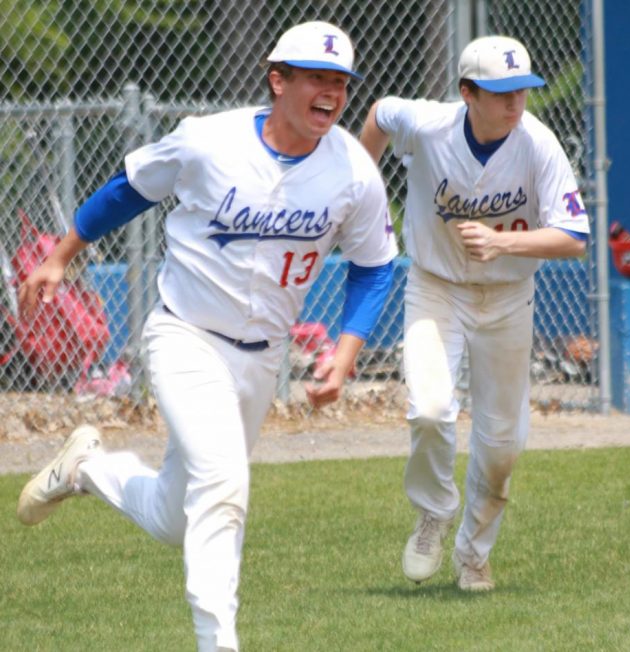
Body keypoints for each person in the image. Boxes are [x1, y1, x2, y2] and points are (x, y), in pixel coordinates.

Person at [16, 21, 397, 650]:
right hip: (185, 337)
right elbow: (129, 190)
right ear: (278, 80)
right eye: (316, 78)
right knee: (223, 485)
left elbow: (377, 265)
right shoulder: (208, 142)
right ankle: (218, 643)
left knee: (177, 517)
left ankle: (87, 469)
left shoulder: (352, 171)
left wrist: (347, 352)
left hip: (261, 359)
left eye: (340, 82)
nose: (330, 93)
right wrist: (61, 255)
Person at [359, 35, 590, 591]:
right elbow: (379, 116)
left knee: (503, 445)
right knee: (431, 407)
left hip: (510, 298)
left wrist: (503, 243)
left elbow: (576, 236)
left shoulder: (537, 144)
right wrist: (361, 190)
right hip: (436, 287)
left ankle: (473, 555)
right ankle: (434, 510)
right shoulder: (429, 124)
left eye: (523, 91)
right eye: (501, 92)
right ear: (468, 92)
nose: (516, 103)